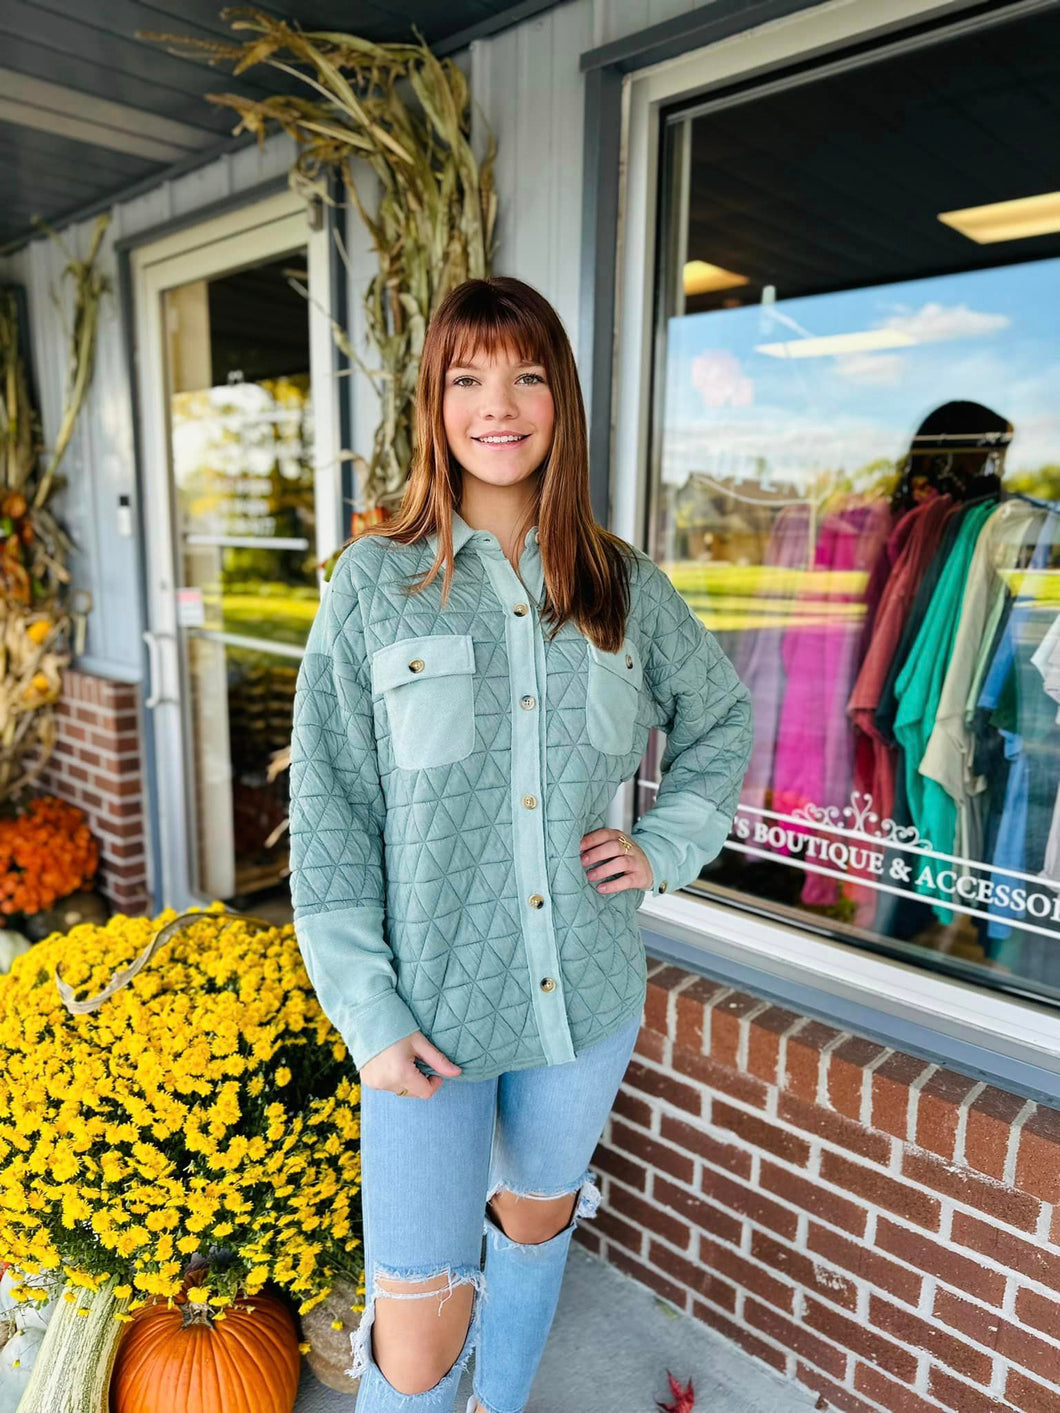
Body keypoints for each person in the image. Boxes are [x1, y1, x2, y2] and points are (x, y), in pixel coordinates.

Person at [287, 275, 753, 1413]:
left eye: (527, 375)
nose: (499, 404)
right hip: (426, 1023)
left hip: (580, 1000)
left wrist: (664, 842)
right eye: (467, 378)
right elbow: (333, 808)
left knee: (535, 1227)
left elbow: (721, 720)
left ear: (561, 400)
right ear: (435, 404)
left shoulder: (621, 585)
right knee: (412, 1324)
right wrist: (368, 1011)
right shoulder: (373, 586)